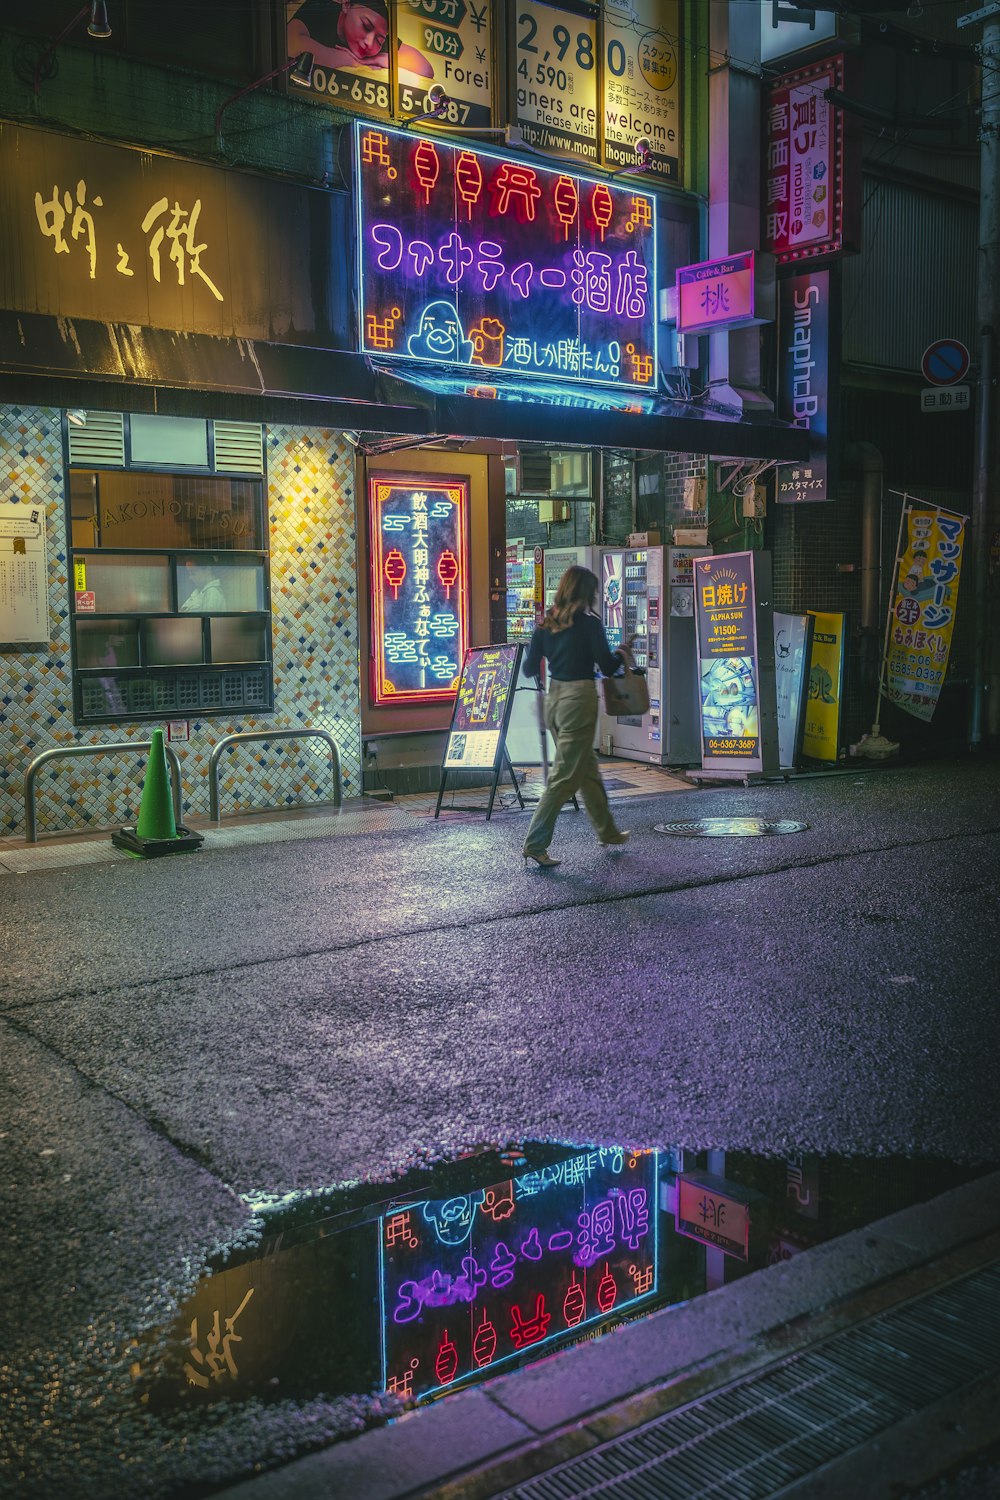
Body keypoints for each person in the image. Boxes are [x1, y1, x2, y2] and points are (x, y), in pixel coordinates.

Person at [520, 565, 631, 869]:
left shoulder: (546, 623)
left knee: (586, 771)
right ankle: (535, 842)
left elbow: (529, 668)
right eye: (594, 591)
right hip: (579, 700)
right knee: (564, 777)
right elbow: (607, 667)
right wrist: (622, 654)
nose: (596, 595)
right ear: (586, 592)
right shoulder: (589, 624)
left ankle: (608, 832)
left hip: (554, 701)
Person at [287, 0, 433, 77]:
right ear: (347, 5)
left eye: (379, 40)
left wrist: (374, 60)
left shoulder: (377, 38)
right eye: (366, 26)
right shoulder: (322, 8)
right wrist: (351, 62)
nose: (369, 42)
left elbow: (425, 69)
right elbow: (290, 43)